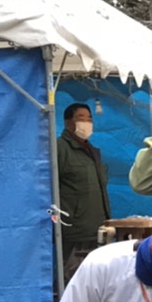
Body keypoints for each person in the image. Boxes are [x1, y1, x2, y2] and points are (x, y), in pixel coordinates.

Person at [56, 102, 111, 282]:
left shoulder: (93, 151)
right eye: (81, 118)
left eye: (89, 119)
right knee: (72, 279)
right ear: (67, 122)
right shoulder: (59, 148)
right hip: (74, 231)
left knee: (96, 279)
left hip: (99, 227)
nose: (86, 122)